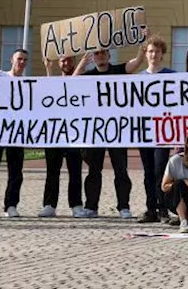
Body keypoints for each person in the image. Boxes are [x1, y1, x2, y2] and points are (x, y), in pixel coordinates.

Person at [80, 44, 146, 219]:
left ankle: (124, 206)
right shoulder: (88, 76)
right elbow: (70, 83)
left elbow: (137, 62)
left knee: (121, 170)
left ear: (109, 55)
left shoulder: (118, 70)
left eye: (103, 53)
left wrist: (142, 46)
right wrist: (82, 62)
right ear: (93, 57)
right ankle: (91, 207)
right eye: (97, 54)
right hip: (96, 131)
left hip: (117, 130)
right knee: (94, 171)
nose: (100, 56)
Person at [0, 47, 28, 219]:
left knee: (15, 171)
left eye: (24, 60)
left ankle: (11, 205)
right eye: (19, 59)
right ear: (12, 60)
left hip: (16, 132)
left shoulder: (28, 83)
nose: (21, 62)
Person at [40, 54, 85, 218]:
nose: (66, 63)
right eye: (63, 60)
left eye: (69, 60)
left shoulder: (81, 80)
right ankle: (49, 204)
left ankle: (76, 205)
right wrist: (48, 70)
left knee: (75, 170)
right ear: (59, 63)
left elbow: (71, 85)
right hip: (54, 133)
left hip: (74, 133)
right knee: (52, 170)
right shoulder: (53, 80)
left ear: (74, 61)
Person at [137, 36, 175, 223]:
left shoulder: (172, 76)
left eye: (157, 51)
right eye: (150, 51)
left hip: (163, 132)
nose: (154, 55)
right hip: (144, 132)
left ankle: (163, 208)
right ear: (146, 54)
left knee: (161, 170)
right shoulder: (139, 79)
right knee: (148, 171)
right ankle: (150, 207)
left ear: (162, 54)